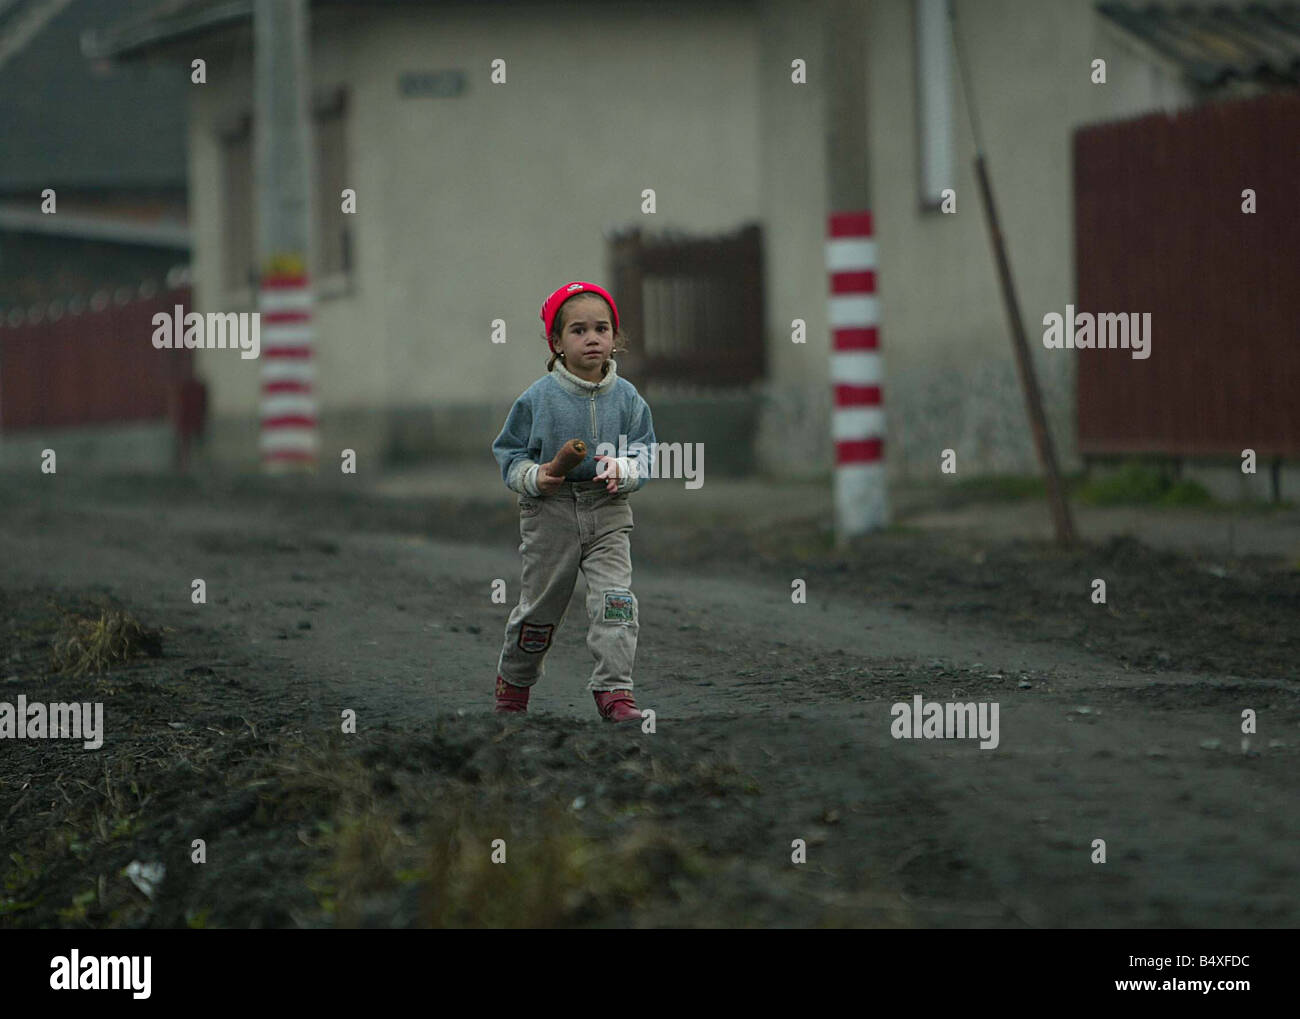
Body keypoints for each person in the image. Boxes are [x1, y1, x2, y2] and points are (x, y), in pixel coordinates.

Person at [490, 281, 656, 722]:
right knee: (541, 607)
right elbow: (510, 454)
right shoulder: (537, 398)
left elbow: (645, 449)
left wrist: (626, 469)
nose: (592, 338)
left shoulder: (629, 399)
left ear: (615, 338)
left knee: (616, 602)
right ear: (557, 342)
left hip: (609, 508)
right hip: (550, 511)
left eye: (602, 328)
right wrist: (534, 476)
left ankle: (615, 692)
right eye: (578, 330)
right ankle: (514, 686)